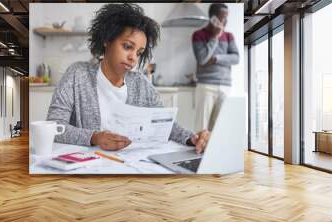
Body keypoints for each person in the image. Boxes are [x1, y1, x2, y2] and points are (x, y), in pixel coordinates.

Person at [47, 3, 209, 153]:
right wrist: (94, 137)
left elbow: (165, 125)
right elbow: (54, 126)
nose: (133, 58)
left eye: (139, 52)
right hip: (88, 168)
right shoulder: (78, 74)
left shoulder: (141, 83)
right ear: (107, 40)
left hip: (132, 166)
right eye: (127, 46)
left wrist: (192, 138)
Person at [191, 3, 239, 131]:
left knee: (220, 128)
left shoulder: (229, 36)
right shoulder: (198, 35)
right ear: (213, 18)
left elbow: (236, 58)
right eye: (224, 17)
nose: (226, 21)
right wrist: (214, 38)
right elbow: (202, 59)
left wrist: (216, 58)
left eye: (227, 17)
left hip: (225, 86)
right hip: (206, 85)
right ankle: (201, 151)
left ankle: (215, 151)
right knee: (202, 128)